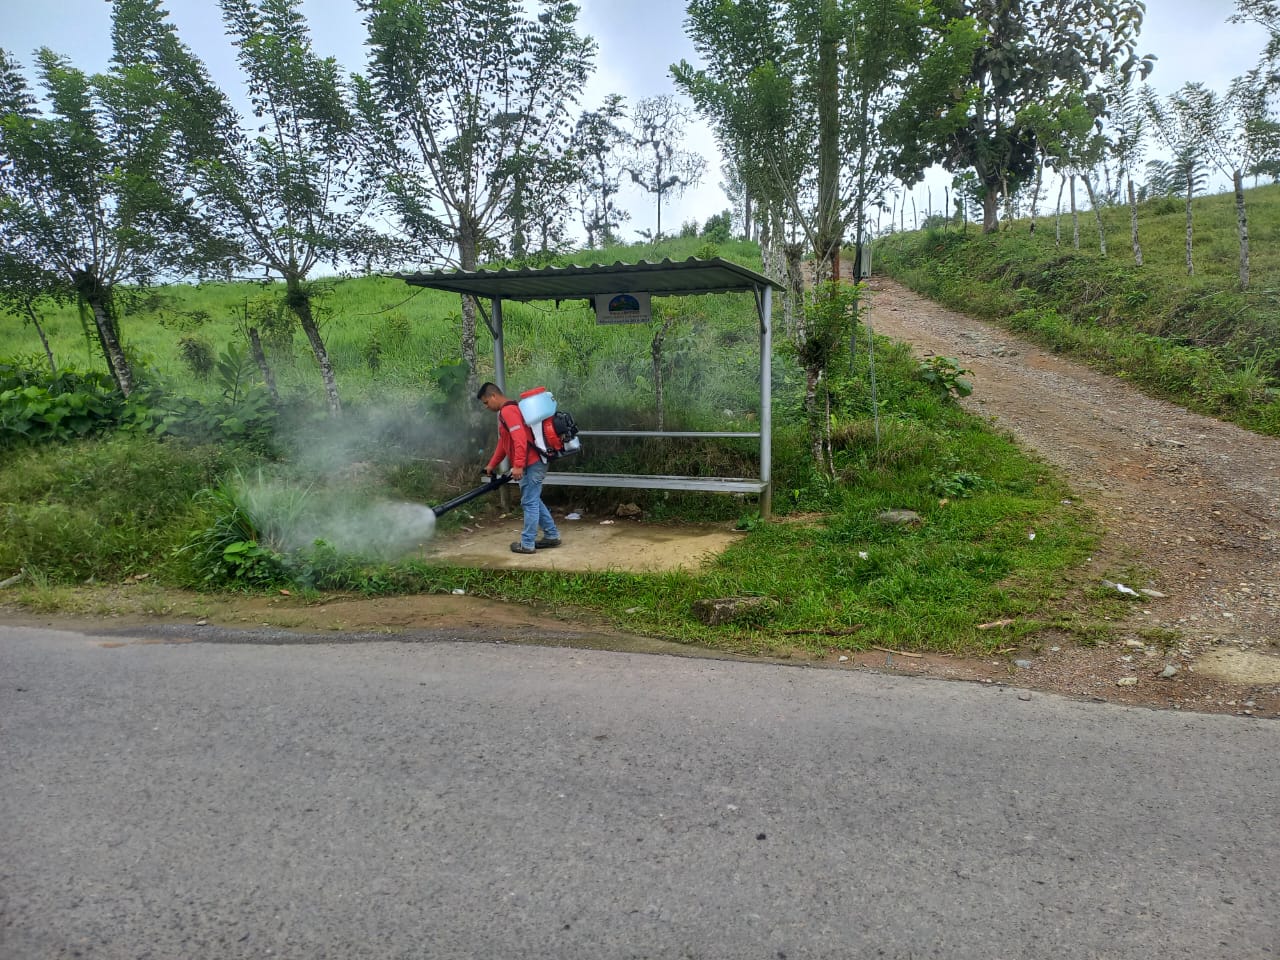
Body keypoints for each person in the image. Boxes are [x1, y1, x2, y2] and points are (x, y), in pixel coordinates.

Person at [477, 381, 562, 555]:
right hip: (531, 462)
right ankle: (552, 535)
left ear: (494, 396)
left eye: (486, 402)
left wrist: (518, 465)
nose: (486, 406)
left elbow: (520, 439)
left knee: (529, 502)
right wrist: (492, 465)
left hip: (533, 462)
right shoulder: (508, 411)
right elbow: (504, 443)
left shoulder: (508, 411)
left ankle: (527, 543)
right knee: (533, 500)